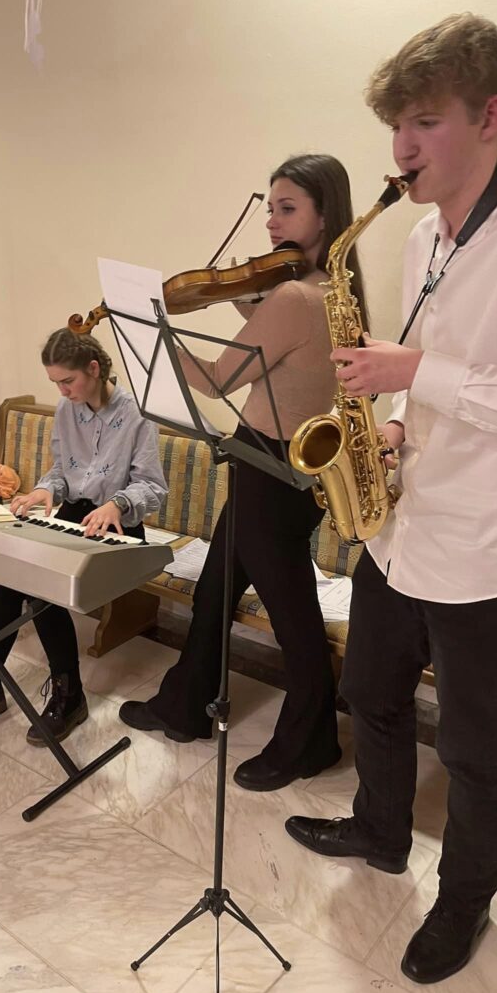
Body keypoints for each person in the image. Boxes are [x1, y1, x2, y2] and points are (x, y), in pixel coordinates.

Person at [284, 14, 497, 986]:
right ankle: (380, 830)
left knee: (476, 751)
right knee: (370, 691)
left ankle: (462, 901)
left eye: (424, 122)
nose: (401, 148)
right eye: (395, 126)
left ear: (490, 117)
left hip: (486, 550)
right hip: (398, 524)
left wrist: (417, 372)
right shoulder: (421, 235)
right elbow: (418, 379)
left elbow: (448, 372)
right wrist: (388, 423)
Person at [119, 153, 367, 791]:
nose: (271, 222)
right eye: (269, 208)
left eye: (287, 208)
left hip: (267, 468)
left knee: (293, 615)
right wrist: (237, 299)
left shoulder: (292, 296)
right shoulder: (331, 289)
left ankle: (310, 742)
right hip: (285, 469)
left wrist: (151, 333)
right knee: (215, 590)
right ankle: (184, 706)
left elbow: (217, 379)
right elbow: (277, 350)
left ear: (324, 216)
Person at [0, 328, 167, 744]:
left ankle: (68, 694)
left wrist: (117, 503)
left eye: (68, 381)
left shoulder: (137, 413)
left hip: (119, 523)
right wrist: (45, 490)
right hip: (75, 516)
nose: (62, 392)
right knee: (10, 575)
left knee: (39, 584)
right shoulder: (67, 410)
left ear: (93, 369)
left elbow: (153, 488)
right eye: (55, 383)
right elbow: (61, 471)